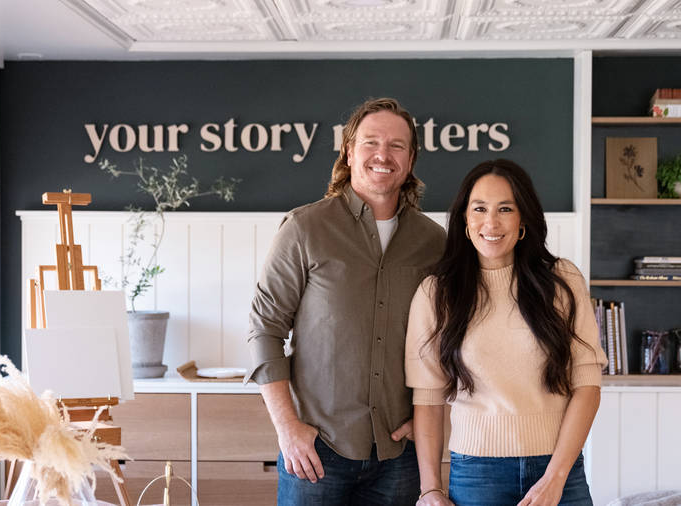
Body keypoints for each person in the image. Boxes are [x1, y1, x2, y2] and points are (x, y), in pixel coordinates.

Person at [246, 97, 447, 505]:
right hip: (316, 452)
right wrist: (287, 428)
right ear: (349, 152)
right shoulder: (304, 228)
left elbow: (449, 340)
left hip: (399, 454)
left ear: (410, 160)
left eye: (397, 146)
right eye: (371, 142)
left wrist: (424, 418)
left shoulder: (434, 243)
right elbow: (263, 329)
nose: (383, 155)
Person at [405, 159, 607, 506]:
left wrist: (555, 479)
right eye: (479, 208)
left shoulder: (562, 281)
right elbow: (428, 401)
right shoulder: (436, 292)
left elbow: (587, 386)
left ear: (523, 220)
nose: (491, 222)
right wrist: (430, 489)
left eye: (505, 209)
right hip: (476, 474)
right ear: (465, 221)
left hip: (559, 467)